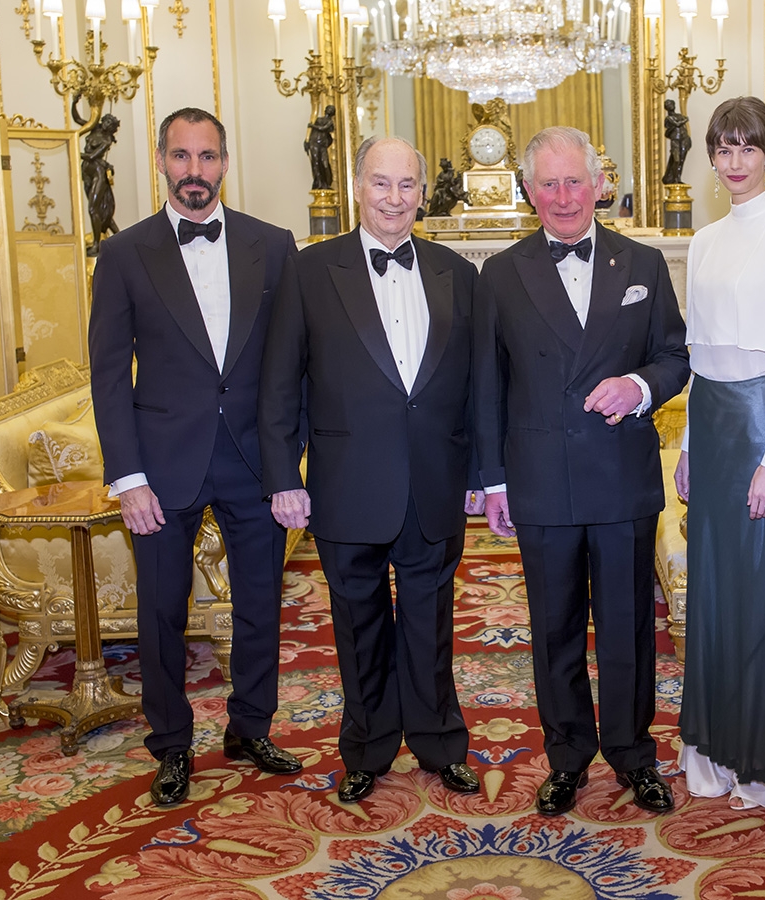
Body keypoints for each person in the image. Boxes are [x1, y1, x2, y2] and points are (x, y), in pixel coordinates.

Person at [88, 107, 303, 808]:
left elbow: (292, 365)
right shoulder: (124, 254)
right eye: (181, 158)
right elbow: (109, 374)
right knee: (161, 614)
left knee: (261, 606)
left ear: (224, 164)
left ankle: (251, 728)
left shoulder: (273, 246)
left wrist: (287, 464)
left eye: (207, 158)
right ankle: (172, 746)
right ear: (160, 163)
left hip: (252, 461)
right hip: (161, 467)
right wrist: (128, 479)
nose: (195, 173)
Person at [259, 136, 484, 805]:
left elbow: (475, 388)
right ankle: (367, 747)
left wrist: (478, 471)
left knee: (431, 623)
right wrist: (282, 475)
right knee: (357, 627)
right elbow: (279, 385)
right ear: (358, 187)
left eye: (407, 184)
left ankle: (442, 743)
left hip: (433, 482)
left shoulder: (457, 273)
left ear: (423, 192)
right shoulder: (308, 270)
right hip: (345, 483)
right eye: (381, 183)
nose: (394, 198)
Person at [474, 126, 690, 817]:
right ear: (528, 191)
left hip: (620, 476)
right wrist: (494, 481)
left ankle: (632, 754)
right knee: (554, 628)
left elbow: (675, 357)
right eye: (549, 183)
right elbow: (487, 385)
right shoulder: (500, 273)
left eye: (576, 181)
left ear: (600, 184)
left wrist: (639, 386)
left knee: (627, 626)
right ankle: (567, 756)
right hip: (540, 477)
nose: (564, 197)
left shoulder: (644, 264)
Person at [673, 97, 765, 810]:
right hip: (711, 419)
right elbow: (698, 357)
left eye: (747, 148)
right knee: (712, 589)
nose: (734, 162)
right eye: (722, 149)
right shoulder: (702, 241)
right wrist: (687, 443)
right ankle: (713, 749)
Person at [81, 112, 120, 254]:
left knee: (93, 208)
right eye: (106, 121)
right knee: (102, 211)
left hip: (98, 173)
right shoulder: (95, 129)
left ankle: (97, 244)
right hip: (86, 172)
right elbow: (78, 119)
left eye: (110, 124)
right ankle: (121, 239)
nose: (106, 124)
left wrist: (71, 147)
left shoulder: (106, 140)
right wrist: (75, 102)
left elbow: (91, 156)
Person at [305, 104, 336, 191]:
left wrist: (312, 125)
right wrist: (307, 141)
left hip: (322, 146)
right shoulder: (318, 119)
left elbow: (323, 128)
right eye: (329, 109)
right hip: (314, 143)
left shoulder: (330, 122)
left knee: (325, 164)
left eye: (332, 109)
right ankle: (319, 183)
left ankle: (327, 182)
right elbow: (311, 132)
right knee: (316, 164)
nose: (330, 110)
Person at [662, 99, 692, 186]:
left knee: (682, 160)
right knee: (676, 160)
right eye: (668, 105)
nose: (671, 106)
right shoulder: (668, 118)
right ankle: (673, 178)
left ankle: (678, 178)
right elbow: (677, 124)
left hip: (683, 139)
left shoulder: (679, 115)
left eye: (671, 104)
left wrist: (688, 139)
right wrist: (685, 120)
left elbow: (685, 129)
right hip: (675, 140)